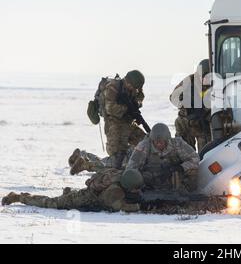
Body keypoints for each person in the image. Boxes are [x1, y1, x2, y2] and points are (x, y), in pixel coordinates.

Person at [1, 168, 144, 212]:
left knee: (69, 197)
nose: (137, 191)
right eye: (135, 188)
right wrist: (139, 207)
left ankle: (69, 193)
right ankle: (19, 197)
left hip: (92, 195)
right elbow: (121, 207)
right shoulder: (115, 191)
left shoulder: (123, 177)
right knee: (53, 203)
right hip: (84, 199)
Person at [126, 123, 200, 193]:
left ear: (167, 139)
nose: (158, 144)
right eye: (156, 142)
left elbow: (195, 159)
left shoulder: (178, 144)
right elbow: (131, 168)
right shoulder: (144, 146)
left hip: (173, 177)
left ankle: (189, 194)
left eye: (161, 142)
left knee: (192, 170)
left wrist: (180, 167)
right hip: (150, 179)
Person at [98, 70, 147, 169]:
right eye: (132, 87)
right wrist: (127, 109)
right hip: (113, 122)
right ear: (127, 81)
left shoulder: (135, 87)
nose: (133, 89)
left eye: (136, 88)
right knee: (117, 155)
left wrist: (136, 105)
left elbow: (140, 97)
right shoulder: (112, 87)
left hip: (128, 121)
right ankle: (87, 163)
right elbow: (110, 108)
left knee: (145, 142)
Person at [170, 59, 212, 152]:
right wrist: (184, 102)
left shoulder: (215, 84)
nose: (206, 80)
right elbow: (173, 97)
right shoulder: (189, 81)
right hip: (186, 122)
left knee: (206, 153)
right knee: (184, 152)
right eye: (203, 77)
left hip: (203, 123)